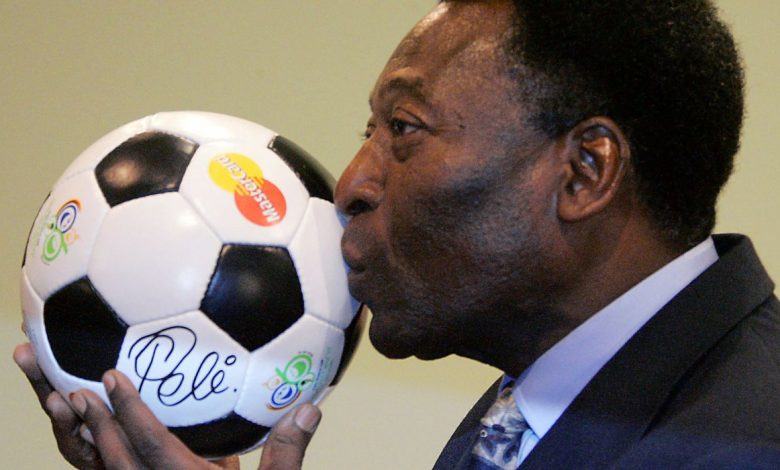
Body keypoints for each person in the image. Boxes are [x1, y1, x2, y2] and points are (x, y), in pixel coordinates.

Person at [15, 0, 780, 468]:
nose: (351, 184)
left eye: (405, 129)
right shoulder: (534, 408)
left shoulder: (745, 444)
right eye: (368, 132)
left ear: (584, 173)